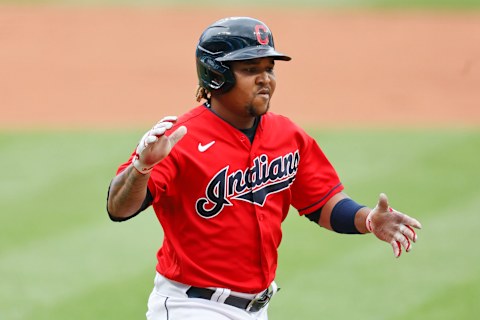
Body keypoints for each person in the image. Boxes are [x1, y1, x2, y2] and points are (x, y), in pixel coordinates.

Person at [106, 16, 422, 320]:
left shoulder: (287, 135)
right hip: (193, 307)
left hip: (257, 309)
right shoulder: (179, 138)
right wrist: (142, 167)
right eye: (250, 69)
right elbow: (118, 208)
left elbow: (322, 203)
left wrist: (367, 219)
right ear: (218, 75)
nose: (265, 79)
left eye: (269, 69)